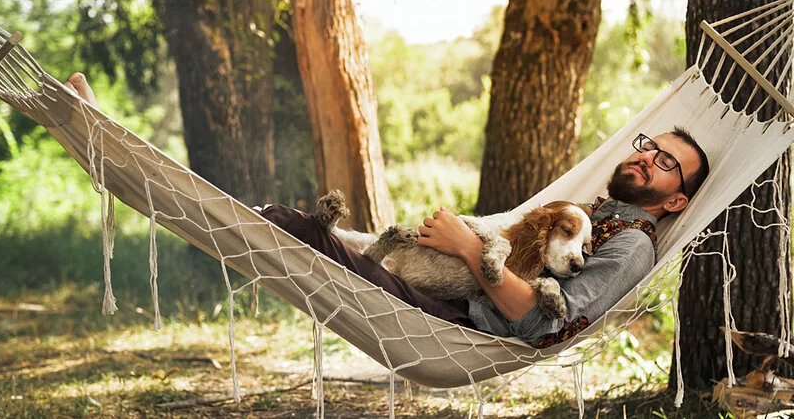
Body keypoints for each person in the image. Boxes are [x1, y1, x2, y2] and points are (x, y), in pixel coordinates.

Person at [62, 73, 709, 346]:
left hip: (456, 318)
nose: (646, 158)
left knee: (295, 233)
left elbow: (545, 328)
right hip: (431, 285)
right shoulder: (590, 213)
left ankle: (124, 164)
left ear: (677, 199)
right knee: (297, 230)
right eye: (650, 145)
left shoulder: (632, 245)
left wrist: (464, 249)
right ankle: (126, 161)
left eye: (665, 163)